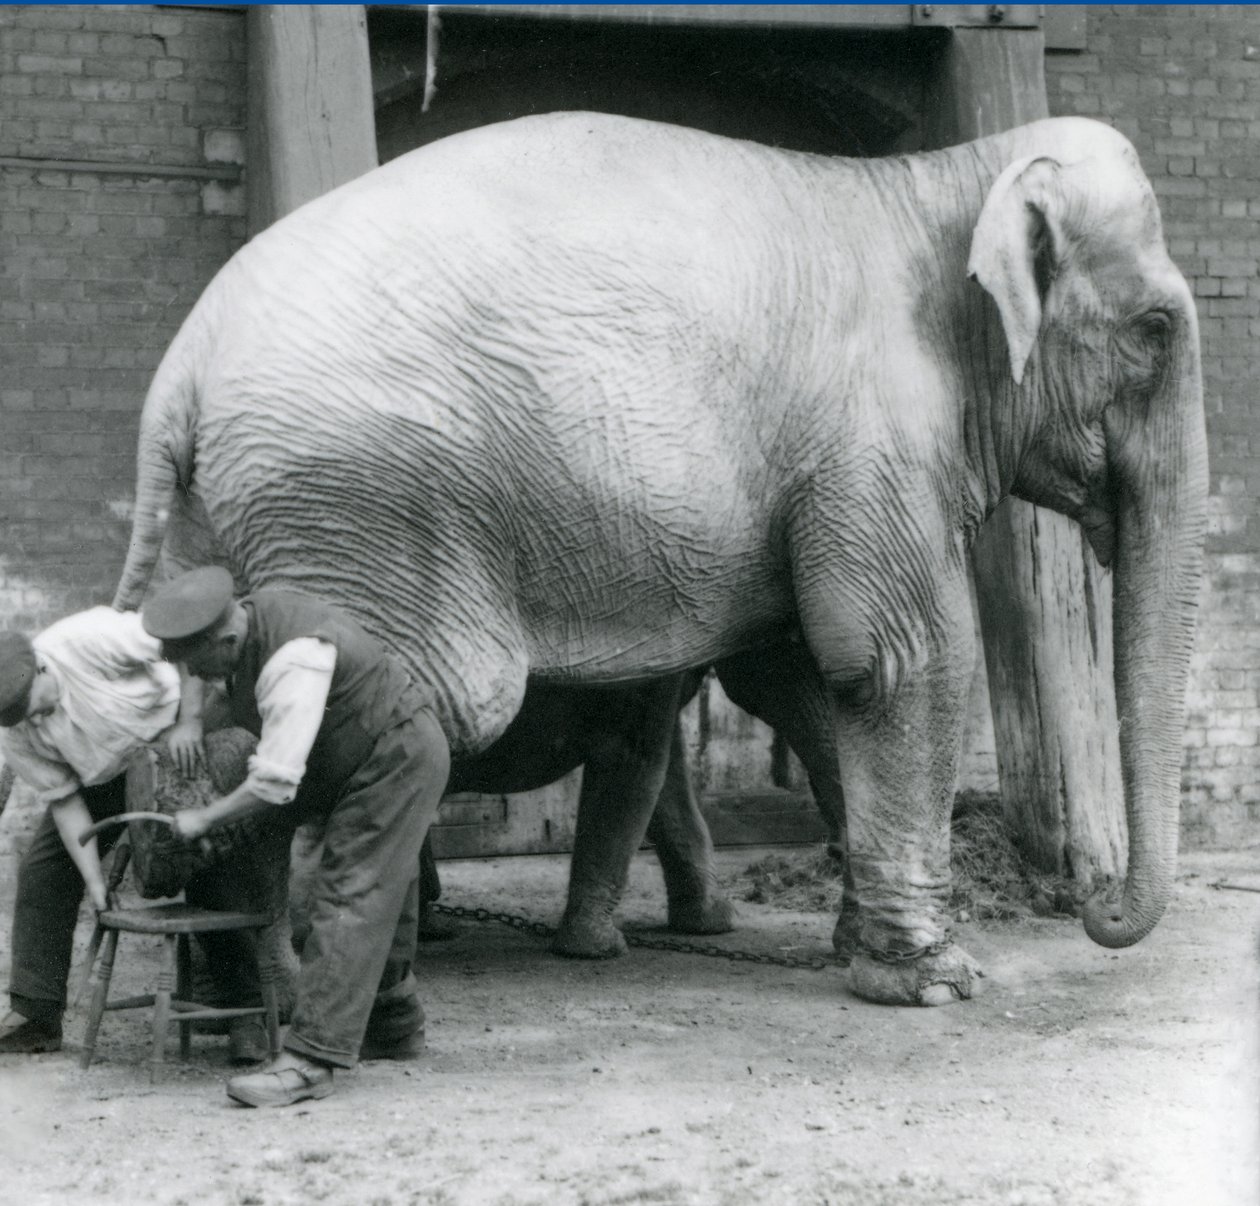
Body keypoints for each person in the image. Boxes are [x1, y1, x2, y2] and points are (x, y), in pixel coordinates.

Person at [141, 566, 450, 1108]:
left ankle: (309, 1060)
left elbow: (275, 783)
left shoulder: (293, 660)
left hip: (394, 753)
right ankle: (393, 1023)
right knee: (389, 889)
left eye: (197, 661)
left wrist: (206, 818)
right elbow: (200, 672)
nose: (194, 673)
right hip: (361, 751)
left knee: (350, 892)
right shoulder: (243, 619)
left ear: (226, 641)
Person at [0, 606, 270, 1062]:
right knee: (44, 871)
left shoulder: (86, 638)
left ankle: (246, 1017)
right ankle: (36, 1013)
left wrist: (190, 719)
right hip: (103, 776)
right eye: (24, 718)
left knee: (207, 862)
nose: (38, 720)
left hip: (171, 741)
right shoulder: (16, 731)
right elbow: (66, 803)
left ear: (42, 667)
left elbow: (182, 645)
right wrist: (96, 882)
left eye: (38, 706)